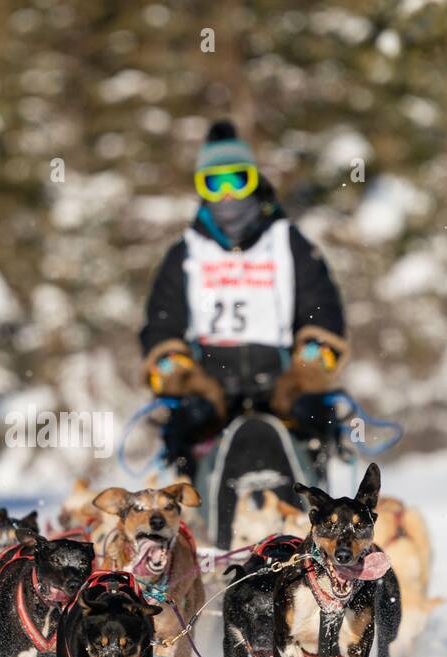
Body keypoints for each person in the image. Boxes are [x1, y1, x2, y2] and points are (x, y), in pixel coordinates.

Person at [140, 119, 350, 483]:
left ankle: (317, 501)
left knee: (318, 417)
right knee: (183, 425)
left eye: (237, 180)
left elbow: (321, 303)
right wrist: (168, 363)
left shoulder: (288, 243)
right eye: (213, 183)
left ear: (254, 181)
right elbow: (162, 318)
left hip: (284, 379)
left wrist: (318, 350)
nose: (226, 195)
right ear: (201, 188)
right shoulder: (186, 253)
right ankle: (196, 509)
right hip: (210, 385)